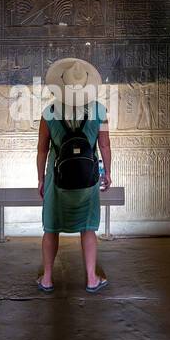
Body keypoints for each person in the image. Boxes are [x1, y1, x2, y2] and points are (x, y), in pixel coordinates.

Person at [36, 58, 112, 293]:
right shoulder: (100, 110)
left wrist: (40, 179)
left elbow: (42, 149)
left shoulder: (49, 112)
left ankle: (47, 279)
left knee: (51, 228)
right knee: (88, 227)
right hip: (88, 177)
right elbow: (105, 145)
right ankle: (91, 278)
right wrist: (107, 172)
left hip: (56, 178)